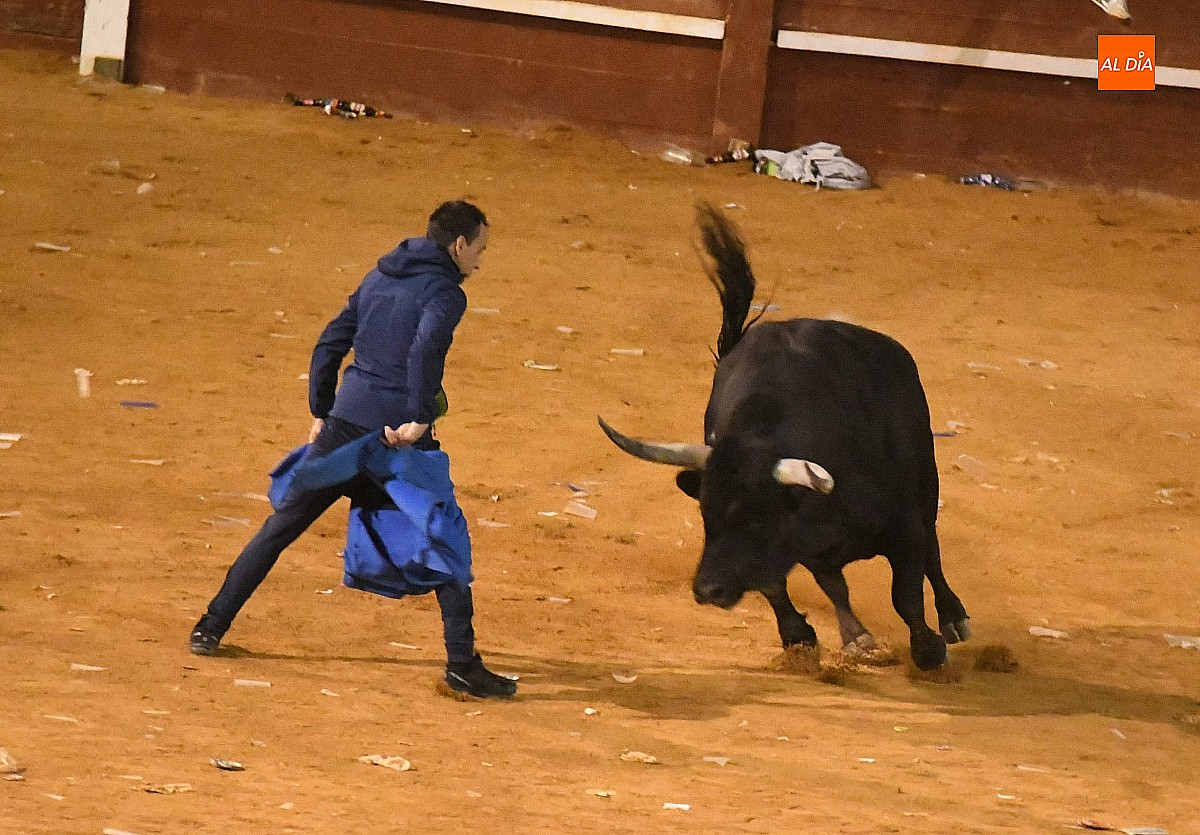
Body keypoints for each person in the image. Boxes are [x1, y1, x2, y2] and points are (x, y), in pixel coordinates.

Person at [188, 200, 516, 700]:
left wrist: (322, 409)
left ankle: (210, 626)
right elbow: (424, 349)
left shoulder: (379, 276)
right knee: (442, 533)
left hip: (343, 431)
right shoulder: (445, 293)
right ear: (458, 245)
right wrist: (418, 416)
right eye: (480, 250)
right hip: (395, 441)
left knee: (280, 528)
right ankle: (462, 665)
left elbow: (330, 342)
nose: (480, 262)